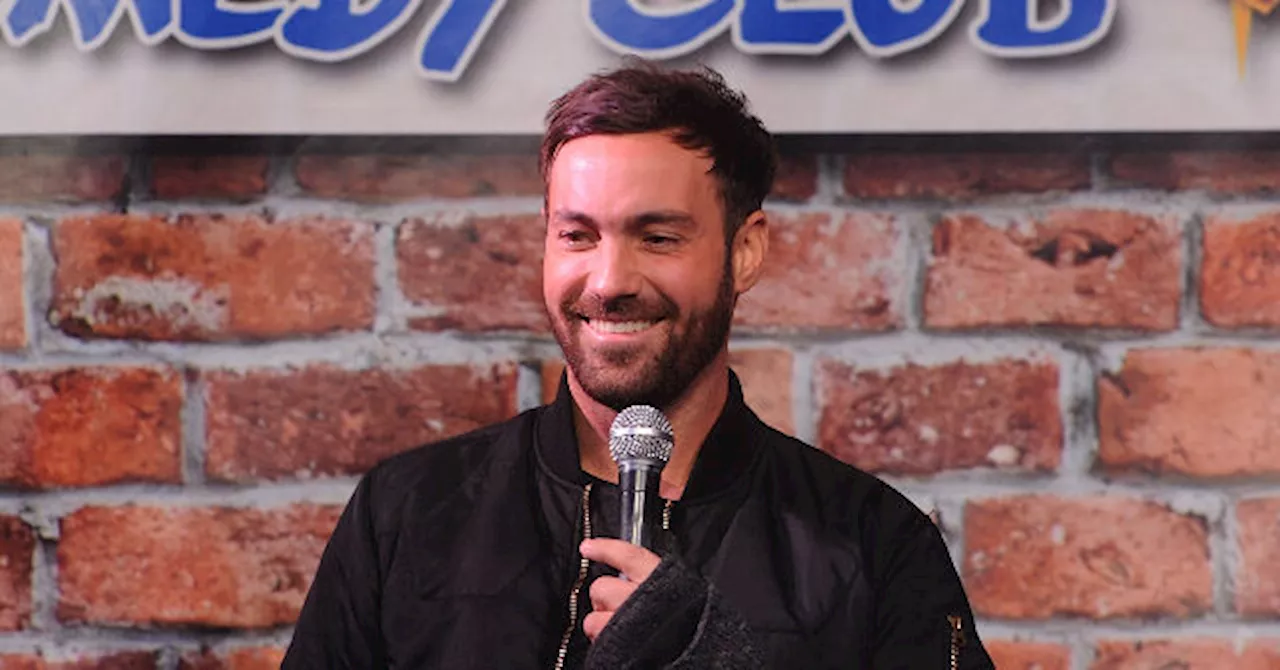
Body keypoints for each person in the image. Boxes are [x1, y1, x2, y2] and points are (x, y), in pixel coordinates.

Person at [282, 59, 995, 670]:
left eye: (657, 237)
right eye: (577, 236)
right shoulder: (407, 512)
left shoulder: (872, 543)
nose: (609, 281)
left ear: (745, 251)